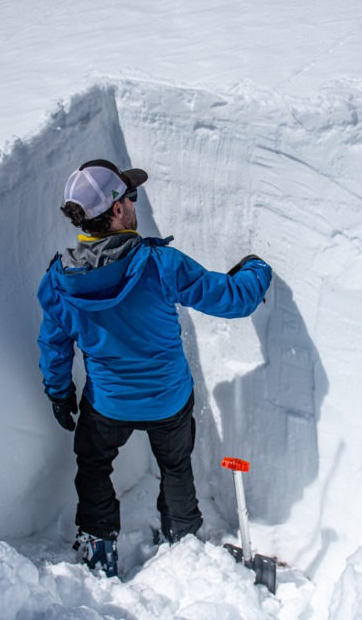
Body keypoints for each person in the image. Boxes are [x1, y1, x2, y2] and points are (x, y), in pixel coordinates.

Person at [36, 158, 272, 578]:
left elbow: (54, 344)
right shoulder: (160, 265)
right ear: (116, 209)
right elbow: (235, 300)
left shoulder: (59, 281)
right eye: (130, 196)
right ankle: (182, 537)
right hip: (168, 400)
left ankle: (98, 545)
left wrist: (59, 392)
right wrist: (257, 268)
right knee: (175, 466)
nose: (134, 203)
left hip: (108, 405)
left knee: (93, 465)